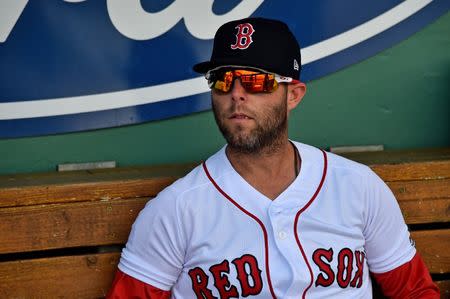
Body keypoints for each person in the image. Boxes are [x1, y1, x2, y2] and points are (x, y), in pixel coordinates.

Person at [107, 17, 439, 298]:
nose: (236, 93)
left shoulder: (358, 186)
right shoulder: (175, 210)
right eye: (223, 80)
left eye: (255, 81)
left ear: (293, 95)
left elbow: (414, 290)